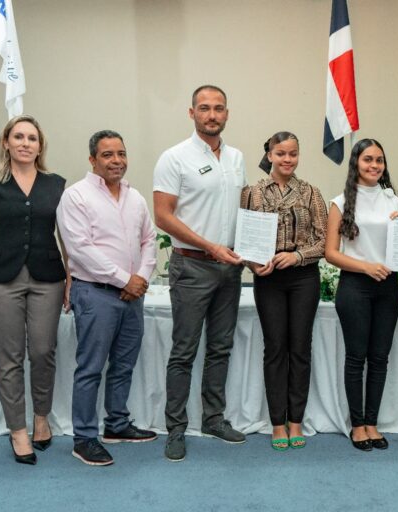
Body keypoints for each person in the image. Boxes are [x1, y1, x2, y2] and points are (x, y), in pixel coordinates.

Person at [0, 115, 67, 465]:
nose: (25, 143)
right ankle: (17, 431)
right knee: (8, 359)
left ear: (40, 146)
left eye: (32, 138)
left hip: (48, 278)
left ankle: (42, 417)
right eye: (18, 136)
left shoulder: (56, 184)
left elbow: (64, 236)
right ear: (6, 142)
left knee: (42, 351)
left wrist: (70, 278)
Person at [154, 85, 247, 462]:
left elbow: (243, 211)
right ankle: (175, 428)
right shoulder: (174, 157)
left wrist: (248, 251)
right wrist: (210, 246)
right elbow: (163, 216)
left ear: (227, 113)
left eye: (219, 108)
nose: (212, 115)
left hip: (230, 268)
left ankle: (214, 418)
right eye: (204, 108)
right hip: (192, 265)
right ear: (192, 113)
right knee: (184, 350)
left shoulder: (237, 157)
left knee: (221, 348)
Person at [57, 130, 158, 466]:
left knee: (124, 365)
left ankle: (116, 424)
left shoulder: (136, 197)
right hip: (96, 294)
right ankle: (84, 438)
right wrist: (124, 279)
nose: (117, 161)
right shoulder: (76, 197)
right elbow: (80, 250)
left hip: (133, 296)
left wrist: (141, 277)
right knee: (90, 368)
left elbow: (149, 240)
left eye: (121, 154)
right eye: (108, 155)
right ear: (92, 160)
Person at [241, 131, 327, 451]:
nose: (287, 159)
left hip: (304, 277)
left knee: (300, 348)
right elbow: (245, 236)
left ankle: (296, 421)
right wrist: (252, 264)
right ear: (270, 155)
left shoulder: (310, 193)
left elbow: (324, 240)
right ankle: (278, 422)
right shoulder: (253, 192)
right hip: (269, 279)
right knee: (275, 348)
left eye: (293, 153)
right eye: (281, 153)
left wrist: (297, 255)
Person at [325, 139, 398, 452]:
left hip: (388, 287)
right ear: (356, 162)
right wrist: (366, 267)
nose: (374, 166)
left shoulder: (394, 200)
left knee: (380, 358)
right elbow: (330, 253)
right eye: (368, 159)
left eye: (379, 160)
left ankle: (373, 422)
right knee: (357, 358)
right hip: (355, 287)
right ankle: (357, 425)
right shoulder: (340, 202)